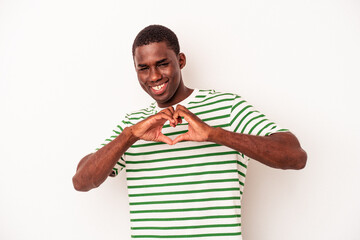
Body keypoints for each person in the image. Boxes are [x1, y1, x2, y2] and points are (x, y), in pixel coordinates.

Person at [72, 25, 307, 239]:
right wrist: (129, 136)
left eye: (162, 63)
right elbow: (82, 181)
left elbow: (295, 156)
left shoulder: (228, 107)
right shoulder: (134, 125)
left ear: (181, 60)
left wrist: (215, 134)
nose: (153, 76)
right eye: (143, 68)